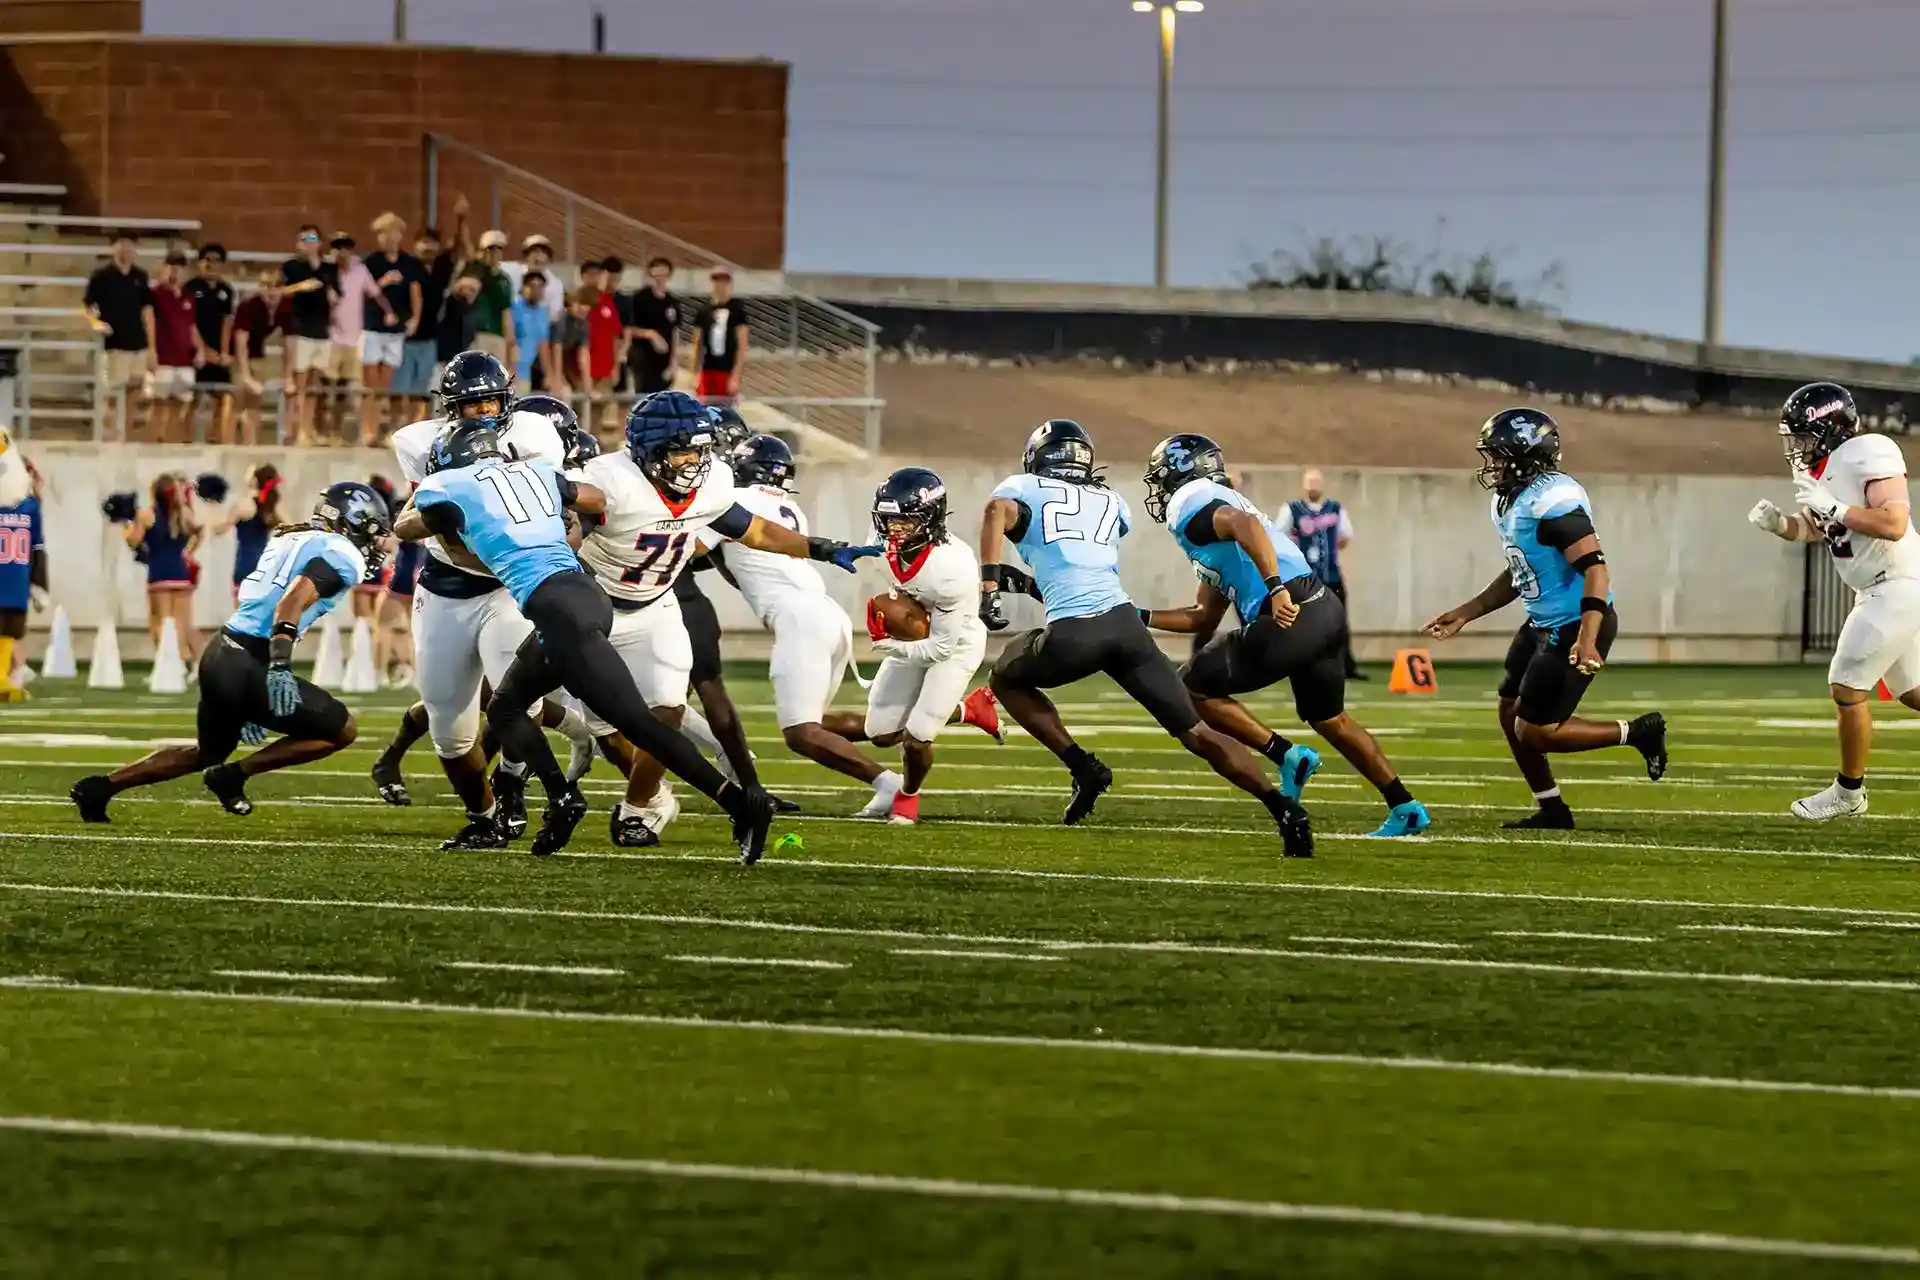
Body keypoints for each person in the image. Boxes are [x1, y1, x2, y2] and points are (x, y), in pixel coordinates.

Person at [980, 420, 1313, 855]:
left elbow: (996, 514)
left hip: (1075, 633)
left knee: (1005, 678)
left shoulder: (1022, 487)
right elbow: (1080, 568)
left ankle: (1084, 767)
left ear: (1038, 457)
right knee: (1197, 732)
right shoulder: (1111, 502)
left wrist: (988, 586)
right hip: (1125, 628)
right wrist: (1026, 585)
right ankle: (1284, 809)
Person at [567, 391, 879, 849]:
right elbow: (573, 511)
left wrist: (821, 548)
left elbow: (754, 530)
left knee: (667, 713)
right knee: (609, 731)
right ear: (651, 451)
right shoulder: (613, 480)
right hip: (598, 607)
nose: (694, 462)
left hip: (657, 606)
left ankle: (637, 808)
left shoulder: (710, 483)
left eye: (700, 450)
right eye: (683, 451)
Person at [1141, 434, 1429, 838]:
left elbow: (1244, 525)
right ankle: (1405, 805)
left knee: (1190, 685)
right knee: (1329, 718)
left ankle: (1285, 754)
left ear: (1181, 470)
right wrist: (1137, 615)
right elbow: (1203, 616)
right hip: (1323, 608)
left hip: (1289, 608)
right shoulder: (1216, 513)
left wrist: (1275, 588)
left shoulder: (1189, 501)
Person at [71, 482, 389, 823]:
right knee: (343, 730)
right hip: (249, 662)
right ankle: (234, 775)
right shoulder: (344, 553)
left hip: (221, 651)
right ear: (352, 521)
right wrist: (278, 666)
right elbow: (291, 602)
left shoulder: (289, 536)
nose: (374, 542)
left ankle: (99, 788)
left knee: (207, 753)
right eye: (371, 530)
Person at [386, 352, 594, 849]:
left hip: (506, 587)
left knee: (515, 699)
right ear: (449, 407)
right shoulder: (418, 441)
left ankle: (530, 791)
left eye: (489, 402)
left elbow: (558, 517)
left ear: (507, 399)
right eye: (470, 404)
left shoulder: (534, 434)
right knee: (449, 731)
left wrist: (529, 561)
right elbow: (435, 523)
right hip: (446, 585)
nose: (481, 413)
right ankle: (486, 817)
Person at [1423, 408, 1668, 829]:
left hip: (1576, 624)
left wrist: (1587, 638)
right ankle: (1552, 809)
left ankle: (1637, 732)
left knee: (1536, 731)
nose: (1492, 466)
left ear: (1525, 456)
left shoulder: (1552, 503)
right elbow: (1522, 571)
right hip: (1542, 623)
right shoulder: (1510, 502)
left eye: (1499, 456)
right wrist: (1467, 612)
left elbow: (1596, 569)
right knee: (1508, 712)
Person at [1749, 382, 1920, 819]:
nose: (1797, 447)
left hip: (1897, 582)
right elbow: (1815, 527)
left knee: (1846, 685)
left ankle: (1849, 793)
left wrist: (1837, 508)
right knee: (1913, 691)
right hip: (1880, 587)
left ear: (1830, 427)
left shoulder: (1869, 451)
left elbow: (1894, 523)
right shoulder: (1821, 468)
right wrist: (1779, 525)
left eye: (1803, 436)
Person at [714, 434, 899, 807]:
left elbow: (692, 547)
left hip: (800, 618)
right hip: (826, 612)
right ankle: (918, 721)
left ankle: (889, 785)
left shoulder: (731, 501)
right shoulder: (789, 509)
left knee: (801, 733)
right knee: (815, 721)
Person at [838, 466, 998, 825]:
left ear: (930, 518)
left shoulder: (951, 567)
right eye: (888, 519)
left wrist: (885, 644)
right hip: (914, 635)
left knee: (919, 735)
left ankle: (908, 796)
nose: (894, 528)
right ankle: (969, 710)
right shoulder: (883, 540)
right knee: (878, 734)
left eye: (905, 521)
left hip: (956, 643)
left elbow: (941, 648)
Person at [1277, 468, 1364, 680]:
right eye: (1310, 482)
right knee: (1302, 623)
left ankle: (1345, 666)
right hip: (1304, 578)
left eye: (1317, 481)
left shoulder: (1335, 509)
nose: (1313, 486)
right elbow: (1278, 536)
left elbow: (1345, 536)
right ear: (1303, 485)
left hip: (1331, 575)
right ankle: (1297, 665)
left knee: (1339, 621)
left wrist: (1330, 553)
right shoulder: (1291, 509)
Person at [359, 212, 425, 447]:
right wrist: (383, 282)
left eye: (393, 233)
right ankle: (368, 430)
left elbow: (415, 292)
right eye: (383, 234)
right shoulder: (370, 262)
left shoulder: (410, 263)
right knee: (370, 383)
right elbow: (364, 293)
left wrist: (415, 318)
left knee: (385, 384)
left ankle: (379, 430)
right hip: (373, 328)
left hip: (396, 331)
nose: (388, 238)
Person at [127, 472, 203, 675]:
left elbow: (134, 541)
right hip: (181, 573)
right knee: (181, 624)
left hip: (159, 574)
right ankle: (183, 663)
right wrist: (188, 552)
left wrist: (126, 527)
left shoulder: (146, 515)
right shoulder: (185, 513)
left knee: (159, 622)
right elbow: (199, 530)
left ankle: (170, 665)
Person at [81, 231, 152, 438]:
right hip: (114, 344)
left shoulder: (140, 276)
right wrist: (95, 323)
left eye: (130, 245)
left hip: (138, 341)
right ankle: (110, 435)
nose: (126, 249)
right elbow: (88, 305)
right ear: (114, 248)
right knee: (112, 392)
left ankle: (126, 435)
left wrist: (151, 343)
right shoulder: (102, 276)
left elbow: (147, 309)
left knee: (135, 389)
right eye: (122, 245)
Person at [0, 432, 47, 703]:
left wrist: (39, 583)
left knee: (11, 630)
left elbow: (37, 546)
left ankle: (7, 677)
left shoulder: (31, 507)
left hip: (17, 577)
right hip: (13, 576)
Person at [281, 224, 335, 446]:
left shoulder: (328, 268)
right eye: (303, 239)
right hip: (301, 329)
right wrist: (301, 286)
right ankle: (298, 429)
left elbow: (335, 292)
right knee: (300, 381)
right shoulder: (292, 267)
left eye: (312, 238)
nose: (308, 242)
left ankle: (309, 427)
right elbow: (281, 291)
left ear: (320, 243)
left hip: (322, 330)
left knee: (315, 383)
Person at [394, 225, 450, 418]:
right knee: (401, 387)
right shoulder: (407, 265)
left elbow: (459, 248)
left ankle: (420, 425)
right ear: (415, 244)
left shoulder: (442, 268)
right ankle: (399, 426)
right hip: (405, 337)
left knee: (424, 387)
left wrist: (461, 220)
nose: (428, 246)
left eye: (433, 242)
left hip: (430, 338)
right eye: (424, 241)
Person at [185, 244, 236, 444]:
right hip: (195, 353)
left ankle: (217, 438)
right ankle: (185, 440)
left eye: (216, 260)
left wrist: (223, 352)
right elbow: (189, 322)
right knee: (191, 399)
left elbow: (227, 322)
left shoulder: (226, 290)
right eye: (207, 260)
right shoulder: (191, 288)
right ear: (200, 263)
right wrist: (203, 350)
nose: (211, 265)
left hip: (217, 353)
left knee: (224, 397)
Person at [146, 252, 199, 445]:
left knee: (181, 402)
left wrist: (199, 348)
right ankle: (155, 440)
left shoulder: (189, 296)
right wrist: (151, 350)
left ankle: (172, 441)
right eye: (171, 267)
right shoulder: (154, 294)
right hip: (163, 357)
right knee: (159, 401)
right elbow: (149, 321)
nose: (175, 272)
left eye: (179, 268)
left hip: (184, 358)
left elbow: (191, 326)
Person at [209, 463, 284, 600]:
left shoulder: (243, 505)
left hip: (245, 564)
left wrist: (213, 506)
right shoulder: (272, 506)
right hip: (266, 566)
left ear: (254, 480)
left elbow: (218, 529)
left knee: (243, 617)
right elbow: (293, 529)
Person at [230, 270, 281, 447]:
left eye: (276, 287)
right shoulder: (249, 305)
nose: (272, 291)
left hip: (258, 357)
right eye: (267, 286)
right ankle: (228, 442)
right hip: (242, 358)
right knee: (237, 404)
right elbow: (240, 341)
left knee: (254, 405)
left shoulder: (275, 308)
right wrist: (245, 374)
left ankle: (251, 443)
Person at [690, 267, 748, 404]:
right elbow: (697, 343)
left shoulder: (737, 309)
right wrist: (694, 373)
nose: (720, 285)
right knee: (705, 411)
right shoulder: (704, 310)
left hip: (727, 371)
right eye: (717, 281)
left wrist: (736, 376)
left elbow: (742, 345)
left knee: (725, 413)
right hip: (707, 369)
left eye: (724, 281)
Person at [626, 256, 680, 395]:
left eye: (663, 274)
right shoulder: (640, 298)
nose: (660, 278)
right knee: (644, 399)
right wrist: (651, 335)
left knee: (662, 399)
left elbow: (674, 332)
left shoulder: (672, 301)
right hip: (644, 360)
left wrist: (674, 361)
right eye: (656, 275)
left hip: (664, 362)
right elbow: (629, 329)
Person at [508, 271, 555, 394]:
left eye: (540, 287)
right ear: (524, 287)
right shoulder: (514, 308)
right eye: (532, 286)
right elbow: (510, 341)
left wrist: (549, 374)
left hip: (534, 372)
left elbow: (543, 345)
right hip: (517, 371)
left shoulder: (543, 312)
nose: (537, 290)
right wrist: (512, 373)